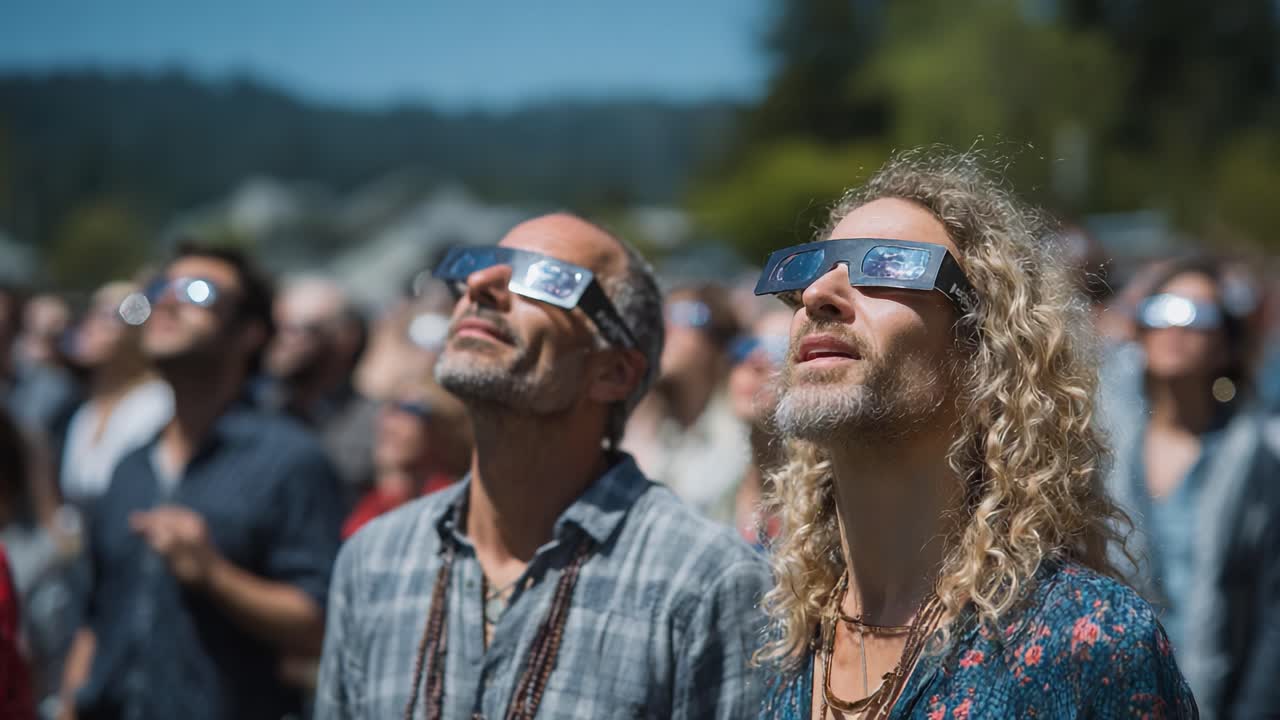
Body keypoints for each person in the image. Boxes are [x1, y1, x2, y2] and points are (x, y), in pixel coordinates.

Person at [754, 149, 1195, 719]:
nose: (819, 294)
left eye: (886, 266)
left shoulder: (1085, 643)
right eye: (813, 269)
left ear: (982, 354)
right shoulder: (778, 637)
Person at [316, 213, 771, 719]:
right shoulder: (374, 561)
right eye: (483, 266)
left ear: (613, 372)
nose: (481, 285)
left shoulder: (705, 580)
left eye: (545, 279)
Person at [59, 244, 345, 720]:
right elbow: (95, 614)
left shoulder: (290, 460)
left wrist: (213, 574)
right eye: (159, 289)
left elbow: (320, 623)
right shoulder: (130, 466)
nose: (168, 303)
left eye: (198, 292)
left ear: (249, 334)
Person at [1106, 257, 1280, 719]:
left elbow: (1272, 611)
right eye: (1163, 311)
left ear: (1225, 344)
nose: (1176, 328)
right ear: (1140, 329)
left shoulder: (1257, 457)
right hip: (1110, 692)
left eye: (1197, 315)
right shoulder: (1099, 451)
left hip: (1219, 697)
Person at [622, 283, 749, 522]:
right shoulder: (656, 424)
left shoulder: (741, 432)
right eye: (662, 316)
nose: (666, 329)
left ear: (718, 339)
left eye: (683, 315)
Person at [260, 276, 379, 508]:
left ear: (346, 337)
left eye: (295, 329)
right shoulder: (251, 413)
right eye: (274, 327)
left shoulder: (378, 428)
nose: (278, 340)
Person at [60, 282, 173, 506]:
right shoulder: (86, 409)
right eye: (90, 313)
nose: (90, 325)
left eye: (109, 315)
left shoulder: (157, 402)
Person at [341, 379, 472, 539]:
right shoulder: (364, 505)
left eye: (411, 410)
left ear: (441, 432)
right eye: (392, 407)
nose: (391, 423)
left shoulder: (452, 508)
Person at [726, 308, 791, 547]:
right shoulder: (720, 487)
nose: (754, 361)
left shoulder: (830, 508)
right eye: (747, 346)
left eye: (779, 350)